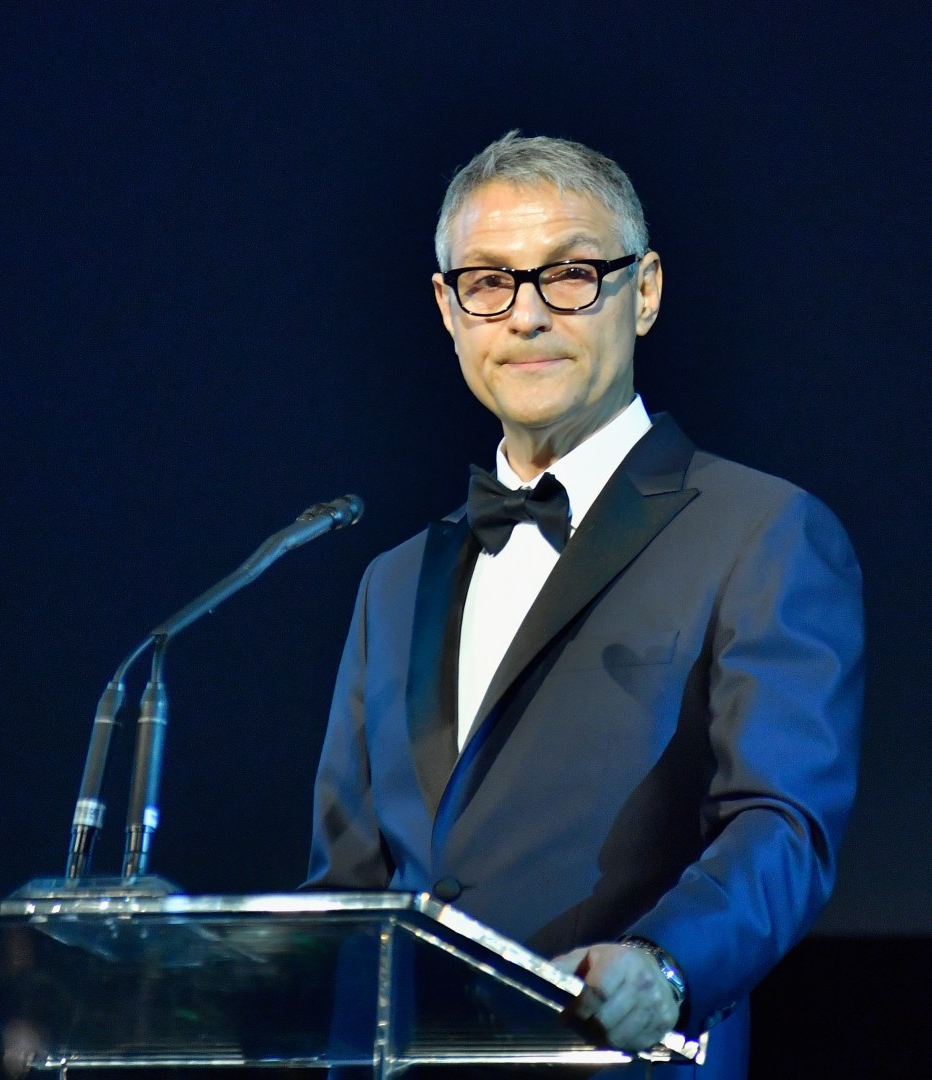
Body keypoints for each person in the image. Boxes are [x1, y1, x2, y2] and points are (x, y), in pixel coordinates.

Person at [305, 131, 863, 1078]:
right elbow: (350, 890)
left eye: (570, 276)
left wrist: (663, 966)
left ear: (643, 293)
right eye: (488, 282)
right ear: (448, 309)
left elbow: (783, 826)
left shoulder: (763, 530)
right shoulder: (391, 582)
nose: (525, 316)